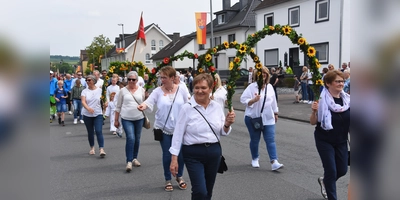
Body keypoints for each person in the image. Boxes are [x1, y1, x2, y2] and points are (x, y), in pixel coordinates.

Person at [169, 73, 236, 200]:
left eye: (203, 88)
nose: (199, 91)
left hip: (214, 152)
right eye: (196, 87)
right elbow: (177, 135)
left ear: (211, 89)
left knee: (208, 190)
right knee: (200, 191)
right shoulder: (186, 108)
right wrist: (174, 159)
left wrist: (227, 124)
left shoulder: (216, 107)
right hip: (193, 153)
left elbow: (223, 132)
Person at [137, 66, 189, 192]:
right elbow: (149, 102)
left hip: (179, 128)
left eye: (164, 77)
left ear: (172, 78)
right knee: (167, 154)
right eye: (161, 77)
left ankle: (179, 176)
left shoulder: (181, 89)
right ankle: (168, 179)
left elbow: (190, 102)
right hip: (163, 128)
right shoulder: (157, 91)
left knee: (180, 155)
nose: (162, 80)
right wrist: (143, 106)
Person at [310, 70, 350, 200]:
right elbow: (313, 122)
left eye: (342, 81)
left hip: (341, 141)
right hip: (325, 139)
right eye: (337, 81)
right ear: (328, 83)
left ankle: (325, 181)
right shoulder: (321, 100)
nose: (341, 83)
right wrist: (314, 112)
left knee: (342, 170)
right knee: (331, 171)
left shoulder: (348, 100)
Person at [240, 66, 284, 171]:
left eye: (265, 73)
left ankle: (274, 161)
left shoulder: (270, 87)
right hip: (253, 118)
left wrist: (276, 112)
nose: (263, 75)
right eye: (260, 73)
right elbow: (243, 100)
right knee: (255, 139)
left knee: (270, 140)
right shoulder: (251, 87)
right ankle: (255, 158)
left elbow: (273, 101)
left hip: (268, 117)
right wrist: (253, 100)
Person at [114, 71, 146, 172]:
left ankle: (134, 158)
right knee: (130, 138)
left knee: (137, 138)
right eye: (129, 79)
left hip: (139, 117)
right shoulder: (123, 91)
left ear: (137, 80)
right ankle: (129, 161)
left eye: (133, 80)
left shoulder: (141, 90)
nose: (131, 81)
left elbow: (145, 103)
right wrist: (116, 120)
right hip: (126, 118)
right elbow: (118, 106)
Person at [81, 75, 106, 157]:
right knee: (90, 132)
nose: (87, 82)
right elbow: (83, 102)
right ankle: (92, 148)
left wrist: (106, 104)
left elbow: (104, 100)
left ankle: (101, 149)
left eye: (89, 80)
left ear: (94, 81)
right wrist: (88, 108)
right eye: (86, 80)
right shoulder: (84, 91)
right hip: (87, 114)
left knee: (98, 131)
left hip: (98, 113)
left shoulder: (100, 90)